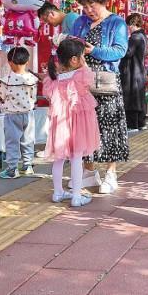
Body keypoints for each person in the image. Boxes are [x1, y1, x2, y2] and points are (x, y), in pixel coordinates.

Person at [70, 0, 129, 194]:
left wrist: (93, 50)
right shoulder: (80, 22)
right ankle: (88, 171)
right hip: (82, 81)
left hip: (106, 81)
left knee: (109, 126)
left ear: (103, 1)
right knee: (84, 126)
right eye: (84, 6)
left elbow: (119, 51)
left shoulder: (117, 23)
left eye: (92, 5)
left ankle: (111, 173)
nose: (88, 10)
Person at [43, 39, 100, 207]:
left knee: (58, 159)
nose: (84, 60)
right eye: (82, 56)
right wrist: (84, 65)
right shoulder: (81, 75)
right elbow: (89, 81)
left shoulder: (53, 80)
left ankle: (58, 192)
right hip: (78, 125)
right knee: (76, 158)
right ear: (74, 60)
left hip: (60, 126)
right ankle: (76, 196)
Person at [0, 47, 39, 179]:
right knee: (28, 140)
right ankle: (27, 166)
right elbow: (34, 96)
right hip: (28, 114)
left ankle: (12, 169)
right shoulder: (32, 78)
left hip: (12, 115)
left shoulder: (6, 80)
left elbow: (2, 95)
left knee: (12, 142)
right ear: (27, 61)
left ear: (10, 62)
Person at [120, 13, 148, 133]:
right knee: (139, 98)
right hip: (139, 71)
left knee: (131, 98)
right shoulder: (143, 36)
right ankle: (141, 123)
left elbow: (127, 53)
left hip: (132, 72)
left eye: (128, 25)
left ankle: (133, 124)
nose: (128, 28)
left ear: (132, 24)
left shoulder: (135, 37)